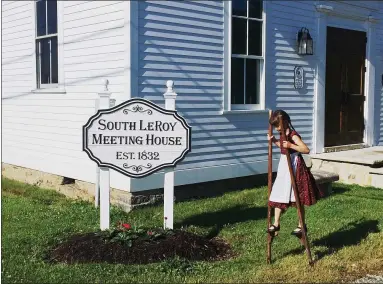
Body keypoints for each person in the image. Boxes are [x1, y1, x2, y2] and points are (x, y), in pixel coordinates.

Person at [266, 110, 325, 236]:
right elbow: (283, 147)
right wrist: (274, 140)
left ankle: (301, 225)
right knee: (278, 193)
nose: (276, 128)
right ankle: (276, 223)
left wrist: (291, 146)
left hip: (295, 167)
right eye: (274, 126)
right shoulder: (282, 133)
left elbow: (305, 149)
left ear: (285, 122)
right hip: (284, 168)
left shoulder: (293, 135)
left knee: (297, 197)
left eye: (278, 126)